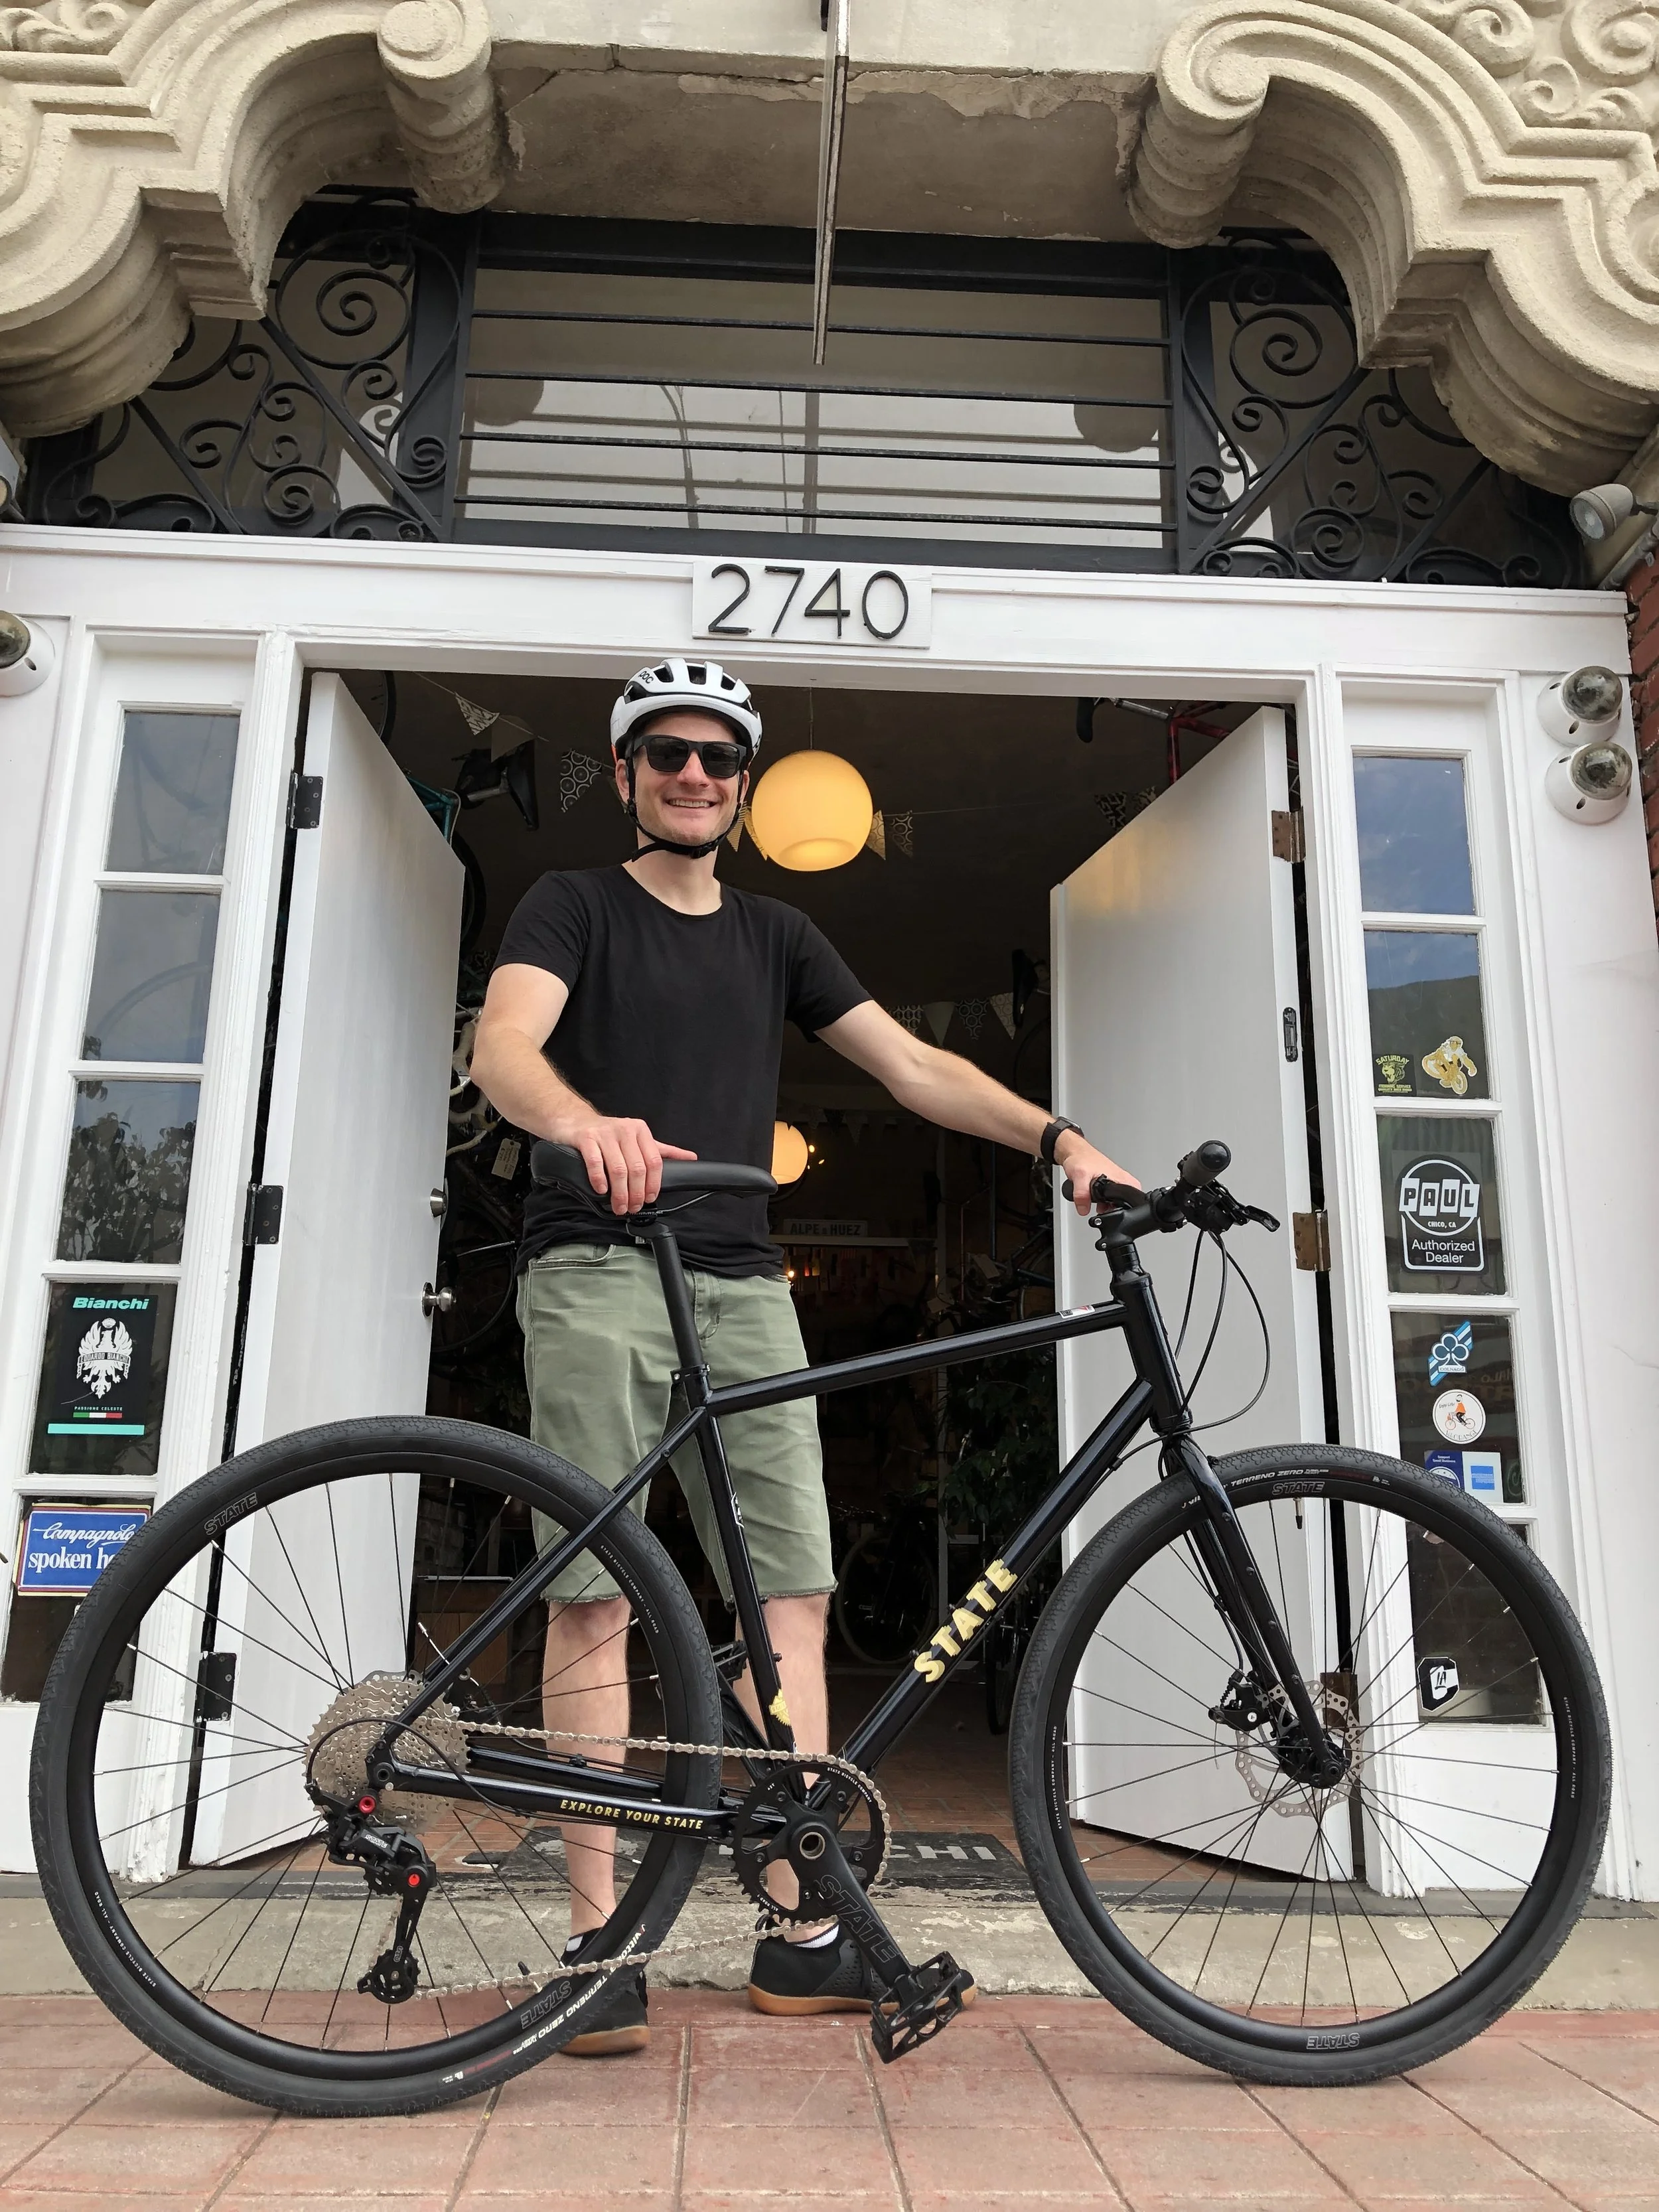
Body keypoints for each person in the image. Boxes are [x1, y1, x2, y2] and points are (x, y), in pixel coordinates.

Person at [469, 657, 1135, 2055]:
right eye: (668, 755)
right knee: (596, 1595)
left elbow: (911, 1068)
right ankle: (600, 1945)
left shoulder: (777, 931)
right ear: (630, 771)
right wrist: (582, 1124)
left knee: (793, 1595)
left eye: (719, 757)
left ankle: (803, 1928)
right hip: (596, 1264)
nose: (695, 774)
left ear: (746, 780)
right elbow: (505, 1047)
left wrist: (1055, 1138)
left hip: (739, 1277)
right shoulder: (571, 901)